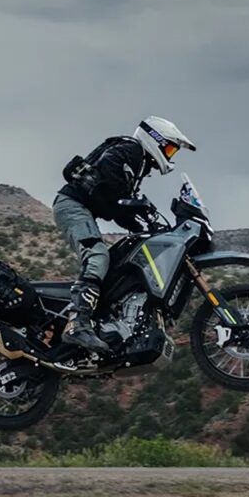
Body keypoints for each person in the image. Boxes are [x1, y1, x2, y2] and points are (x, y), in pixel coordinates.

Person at [53, 116, 196, 353]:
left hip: (82, 207)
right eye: (169, 148)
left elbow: (116, 206)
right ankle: (77, 323)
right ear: (155, 140)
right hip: (72, 205)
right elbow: (110, 177)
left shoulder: (137, 163)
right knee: (98, 256)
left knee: (120, 257)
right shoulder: (131, 150)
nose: (170, 155)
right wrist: (136, 203)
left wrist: (143, 225)